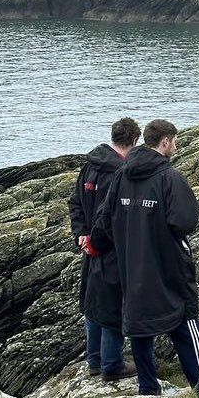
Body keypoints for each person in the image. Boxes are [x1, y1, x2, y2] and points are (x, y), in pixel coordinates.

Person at [93, 118, 199, 398]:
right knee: (185, 320)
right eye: (175, 142)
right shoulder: (169, 177)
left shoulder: (122, 175)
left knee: (140, 326)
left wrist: (123, 242)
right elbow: (184, 221)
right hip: (167, 265)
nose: (176, 147)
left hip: (132, 266)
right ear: (166, 141)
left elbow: (104, 220)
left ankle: (148, 387)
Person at [68, 116, 141, 381]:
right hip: (109, 248)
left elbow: (75, 202)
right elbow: (110, 217)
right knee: (111, 305)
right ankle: (111, 364)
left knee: (92, 302)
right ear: (134, 140)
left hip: (90, 246)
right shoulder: (120, 173)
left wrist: (81, 234)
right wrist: (95, 241)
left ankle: (95, 360)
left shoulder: (90, 165)